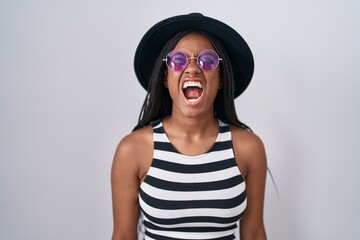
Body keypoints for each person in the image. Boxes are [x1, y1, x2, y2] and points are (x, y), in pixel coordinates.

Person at [111, 13, 267, 240]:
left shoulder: (248, 148)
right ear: (165, 77)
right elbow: (123, 235)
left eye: (207, 61)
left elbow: (253, 233)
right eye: (178, 60)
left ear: (221, 79)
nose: (193, 69)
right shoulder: (132, 150)